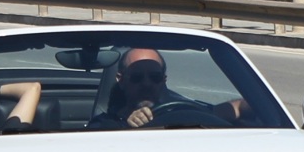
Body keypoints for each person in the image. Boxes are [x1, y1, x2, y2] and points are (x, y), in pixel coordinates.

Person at [89, 48, 248, 129]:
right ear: (121, 80)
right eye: (137, 77)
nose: (147, 84)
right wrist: (129, 127)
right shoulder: (105, 125)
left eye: (155, 77)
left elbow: (239, 107)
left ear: (164, 80)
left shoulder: (186, 114)